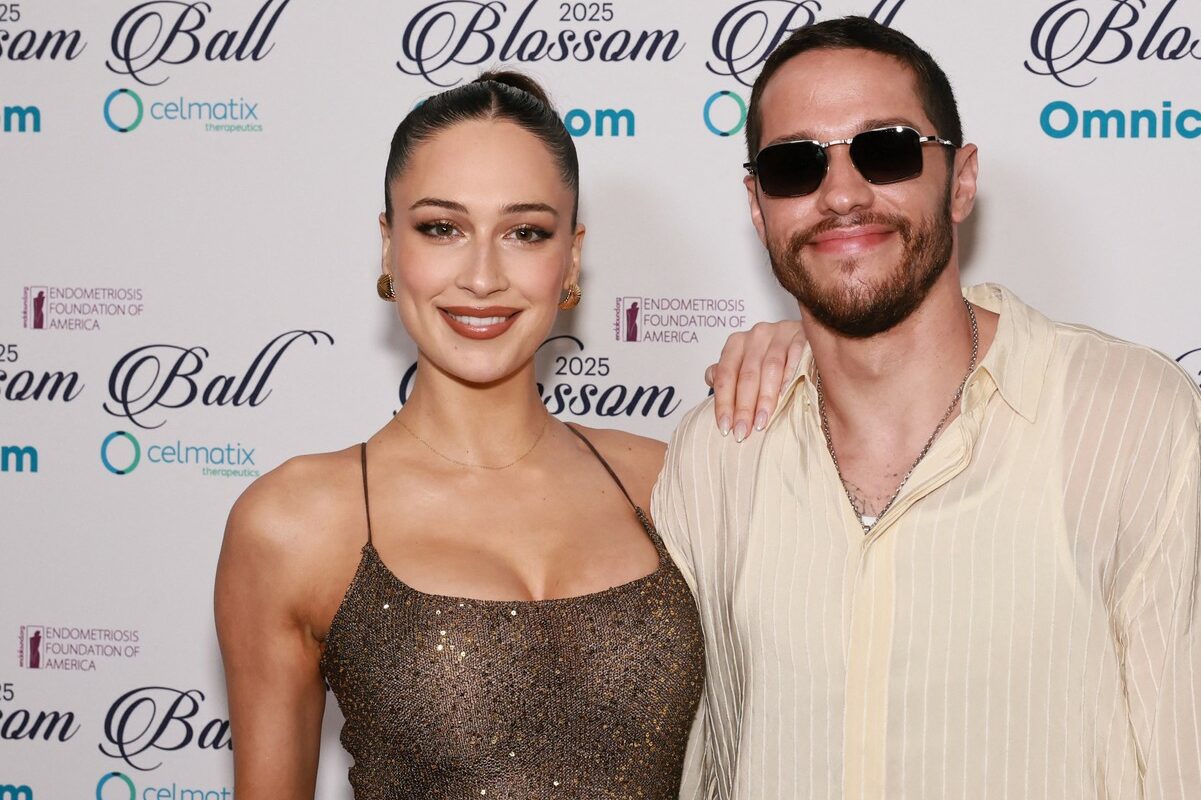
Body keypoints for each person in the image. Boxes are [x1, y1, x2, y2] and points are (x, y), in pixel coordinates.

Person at [660, 17, 1201, 800]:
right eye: (796, 165)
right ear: (759, 207)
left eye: (886, 150)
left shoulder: (1139, 425)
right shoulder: (718, 452)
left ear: (960, 180)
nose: (842, 194)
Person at [214, 72, 799, 799]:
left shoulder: (669, 481)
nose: (484, 276)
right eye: (442, 228)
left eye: (525, 233)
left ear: (571, 258)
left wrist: (817, 355)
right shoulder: (295, 523)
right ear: (389, 247)